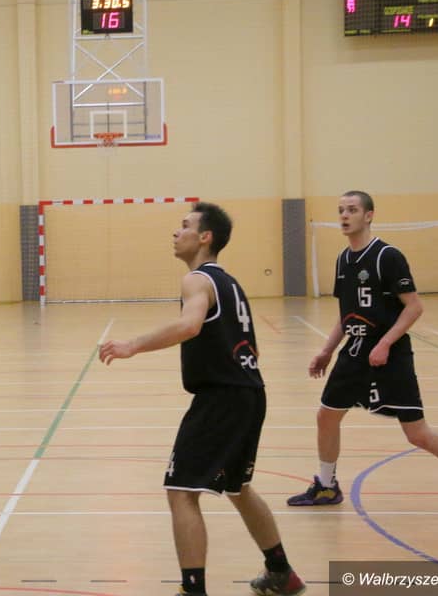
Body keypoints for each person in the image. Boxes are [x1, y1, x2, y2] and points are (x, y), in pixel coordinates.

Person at [100, 203, 305, 596]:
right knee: (238, 488)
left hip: (221, 398)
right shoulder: (230, 284)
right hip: (250, 393)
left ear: (205, 237)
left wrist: (132, 345)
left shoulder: (196, 280)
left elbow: (190, 325)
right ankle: (281, 572)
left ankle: (192, 590)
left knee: (181, 491)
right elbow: (249, 346)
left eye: (185, 226)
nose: (176, 233)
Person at [287, 190, 438, 523]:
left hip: (390, 355)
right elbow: (346, 314)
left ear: (369, 215)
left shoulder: (387, 256)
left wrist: (386, 342)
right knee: (326, 417)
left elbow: (414, 307)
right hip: (355, 352)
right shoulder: (343, 260)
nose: (344, 215)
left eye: (352, 210)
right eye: (341, 210)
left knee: (417, 434)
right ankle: (327, 487)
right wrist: (327, 350)